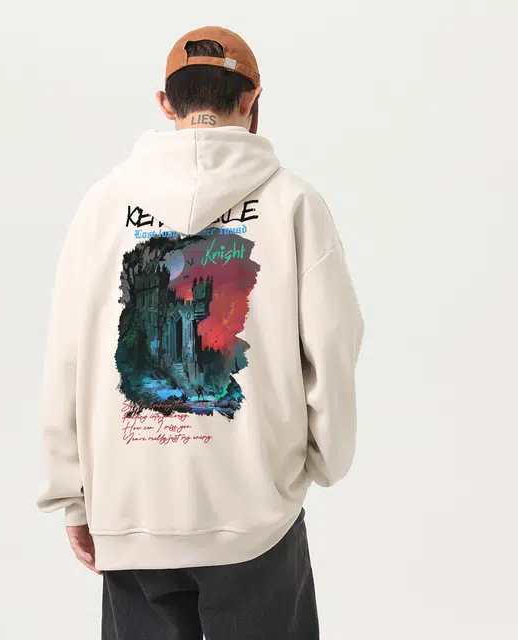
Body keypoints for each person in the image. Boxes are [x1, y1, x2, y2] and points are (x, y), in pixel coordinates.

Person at [37, 25, 364, 640]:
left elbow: (66, 356)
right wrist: (320, 459)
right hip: (255, 511)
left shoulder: (102, 206)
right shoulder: (295, 203)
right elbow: (332, 343)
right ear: (253, 97)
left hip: (132, 508)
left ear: (166, 103)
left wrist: (72, 494)